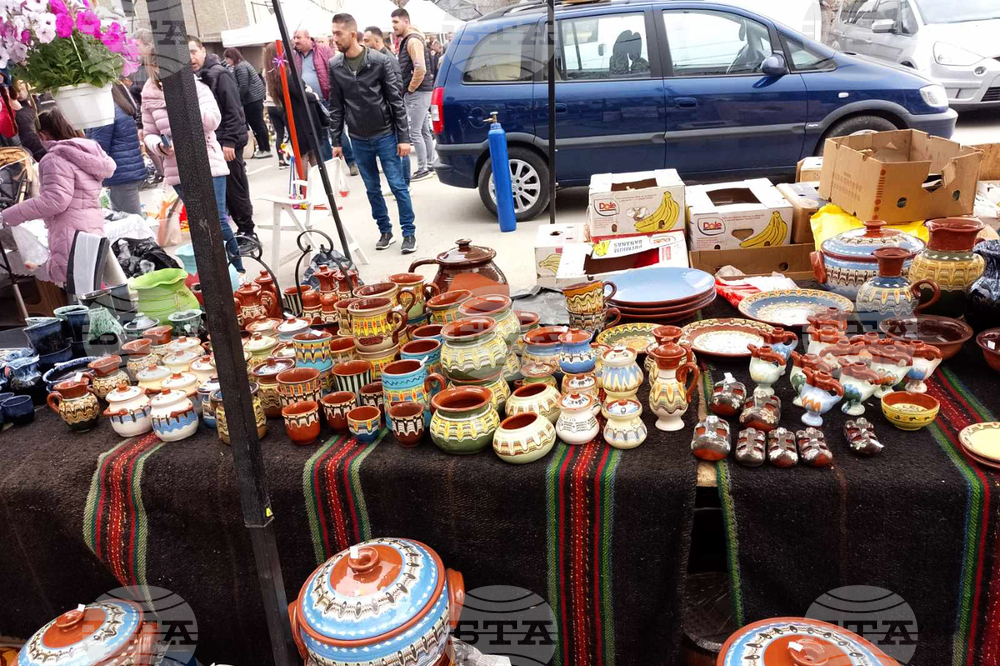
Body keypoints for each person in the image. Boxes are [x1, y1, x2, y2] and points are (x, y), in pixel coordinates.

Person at [140, 34, 244, 272]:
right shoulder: (149, 95)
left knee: (216, 219)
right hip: (176, 167)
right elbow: (149, 133)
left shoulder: (196, 86)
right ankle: (215, 271)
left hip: (208, 161)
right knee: (199, 222)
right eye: (158, 62)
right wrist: (160, 145)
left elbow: (213, 120)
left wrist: (185, 101)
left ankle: (236, 269)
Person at [328, 13, 416, 254]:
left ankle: (409, 232)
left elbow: (395, 100)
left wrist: (404, 137)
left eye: (338, 33)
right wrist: (336, 141)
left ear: (352, 35)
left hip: (385, 134)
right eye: (333, 33)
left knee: (398, 186)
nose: (334, 38)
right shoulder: (335, 65)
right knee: (372, 188)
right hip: (357, 137)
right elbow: (335, 105)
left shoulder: (378, 61)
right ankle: (385, 230)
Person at [0, 109, 116, 285]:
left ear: (43, 135)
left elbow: (54, 201)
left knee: (82, 291)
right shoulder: (88, 152)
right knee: (93, 284)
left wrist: (9, 214)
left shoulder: (54, 159)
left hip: (70, 231)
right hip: (91, 225)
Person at [188, 36, 256, 240]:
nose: (190, 57)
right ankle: (239, 231)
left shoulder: (219, 74)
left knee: (236, 188)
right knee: (224, 192)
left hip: (227, 141)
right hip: (213, 144)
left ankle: (248, 231)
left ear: (203, 50)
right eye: (185, 54)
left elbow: (234, 110)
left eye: (193, 51)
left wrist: (230, 142)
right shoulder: (195, 77)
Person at [292, 28, 358, 174]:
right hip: (311, 103)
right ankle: (330, 168)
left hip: (328, 99)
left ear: (309, 38)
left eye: (298, 37)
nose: (295, 41)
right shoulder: (294, 56)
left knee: (338, 132)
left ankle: (352, 162)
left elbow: (336, 71)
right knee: (320, 136)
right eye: (294, 38)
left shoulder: (323, 50)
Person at [84, 82, 147, 215]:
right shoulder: (118, 106)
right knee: (132, 222)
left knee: (132, 226)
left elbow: (99, 148)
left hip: (121, 175)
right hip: (127, 172)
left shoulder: (105, 113)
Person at [263, 41, 326, 170]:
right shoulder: (286, 75)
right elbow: (301, 95)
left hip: (296, 117)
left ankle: (310, 186)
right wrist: (313, 95)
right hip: (302, 119)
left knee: (308, 155)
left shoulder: (274, 75)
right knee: (307, 154)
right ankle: (309, 186)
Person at [391, 8, 435, 182]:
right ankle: (429, 164)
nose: (393, 26)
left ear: (406, 22)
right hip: (421, 91)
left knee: (415, 131)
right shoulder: (412, 39)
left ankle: (424, 167)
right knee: (423, 130)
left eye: (396, 22)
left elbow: (420, 68)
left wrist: (410, 88)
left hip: (418, 92)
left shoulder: (412, 41)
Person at [224, 47, 271, 159]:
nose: (226, 61)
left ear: (233, 57)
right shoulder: (243, 64)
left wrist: (237, 100)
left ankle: (265, 148)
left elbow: (243, 86)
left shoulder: (240, 67)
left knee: (257, 124)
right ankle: (264, 148)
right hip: (255, 98)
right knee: (258, 123)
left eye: (227, 58)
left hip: (252, 99)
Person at [13, 81, 46, 161]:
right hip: (33, 157)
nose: (18, 88)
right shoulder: (13, 110)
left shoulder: (39, 100)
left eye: (20, 84)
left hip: (49, 150)